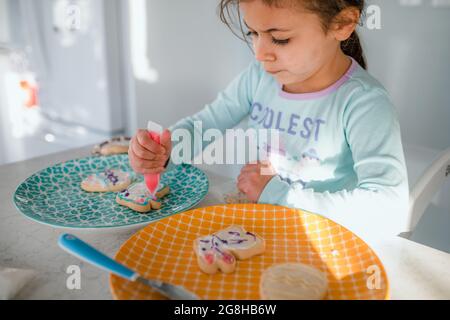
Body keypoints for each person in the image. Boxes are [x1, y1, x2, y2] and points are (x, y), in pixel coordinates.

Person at [128, 0, 409, 240]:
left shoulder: (363, 102)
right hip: (259, 229)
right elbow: (206, 125)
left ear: (342, 23)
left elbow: (388, 210)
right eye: (254, 33)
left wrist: (278, 194)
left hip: (318, 242)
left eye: (280, 38)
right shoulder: (259, 77)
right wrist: (164, 151)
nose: (260, 53)